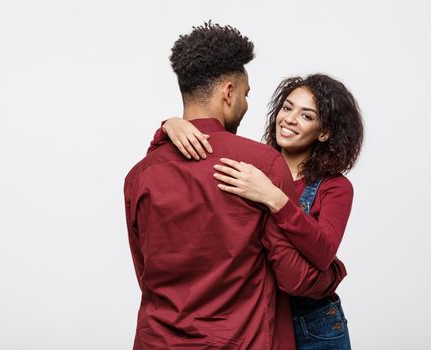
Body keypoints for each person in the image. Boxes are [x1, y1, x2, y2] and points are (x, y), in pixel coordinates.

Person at [124, 23, 347, 350]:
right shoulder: (262, 165)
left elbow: (144, 272)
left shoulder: (139, 175)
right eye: (245, 95)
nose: (245, 105)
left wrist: (167, 127)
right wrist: (334, 273)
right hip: (243, 341)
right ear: (228, 92)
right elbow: (292, 276)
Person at [155, 74, 364, 349]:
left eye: (306, 116)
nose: (289, 119)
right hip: (259, 314)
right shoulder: (254, 164)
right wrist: (169, 126)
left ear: (324, 132)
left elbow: (324, 252)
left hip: (314, 324)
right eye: (287, 108)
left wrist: (275, 199)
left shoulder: (335, 187)